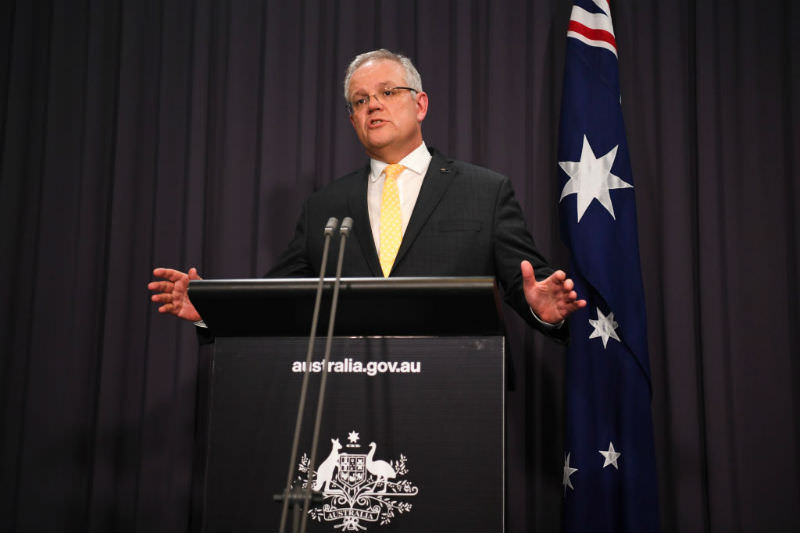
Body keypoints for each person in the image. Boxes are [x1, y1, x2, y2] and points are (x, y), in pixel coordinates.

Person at [149, 49, 586, 338]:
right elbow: (275, 299)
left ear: (420, 105)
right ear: (353, 119)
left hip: (456, 395)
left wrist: (540, 308)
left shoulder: (485, 191)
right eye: (359, 101)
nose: (372, 105)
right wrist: (211, 308)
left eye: (387, 93)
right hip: (344, 396)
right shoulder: (326, 206)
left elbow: (526, 283)